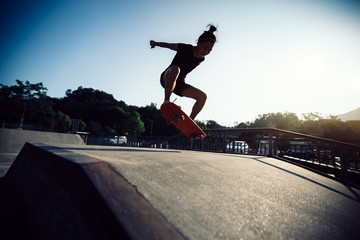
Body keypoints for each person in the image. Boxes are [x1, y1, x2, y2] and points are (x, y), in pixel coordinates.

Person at [150, 25, 217, 120]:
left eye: (209, 50)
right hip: (167, 77)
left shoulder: (202, 59)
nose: (206, 51)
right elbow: (168, 45)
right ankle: (167, 101)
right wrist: (155, 43)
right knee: (175, 69)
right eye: (204, 48)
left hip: (179, 84)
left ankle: (191, 121)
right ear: (198, 43)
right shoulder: (184, 48)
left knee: (202, 97)